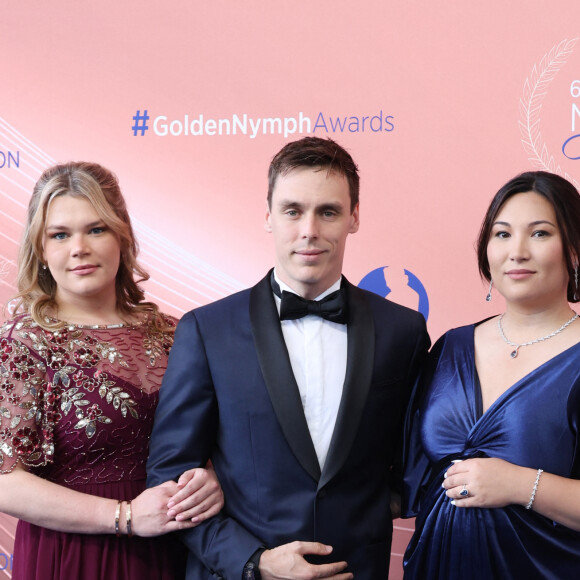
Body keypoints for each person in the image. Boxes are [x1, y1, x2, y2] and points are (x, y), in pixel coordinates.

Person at [147, 136, 430, 580]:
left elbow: (415, 457)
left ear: (354, 217)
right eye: (293, 210)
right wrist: (254, 562)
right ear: (268, 216)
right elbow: (170, 478)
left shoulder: (404, 331)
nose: (309, 230)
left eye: (328, 211)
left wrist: (378, 507)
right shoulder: (207, 330)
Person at [0, 162, 224, 580]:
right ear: (42, 250)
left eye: (96, 229)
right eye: (60, 235)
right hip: (71, 555)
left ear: (122, 236)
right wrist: (125, 517)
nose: (79, 247)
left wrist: (213, 479)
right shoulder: (24, 342)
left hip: (175, 548)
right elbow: (5, 481)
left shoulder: (176, 334)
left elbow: (217, 442)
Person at [402, 171, 580, 579]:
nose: (516, 252)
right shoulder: (450, 347)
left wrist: (521, 485)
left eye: (539, 234)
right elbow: (401, 474)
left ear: (574, 249)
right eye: (502, 234)